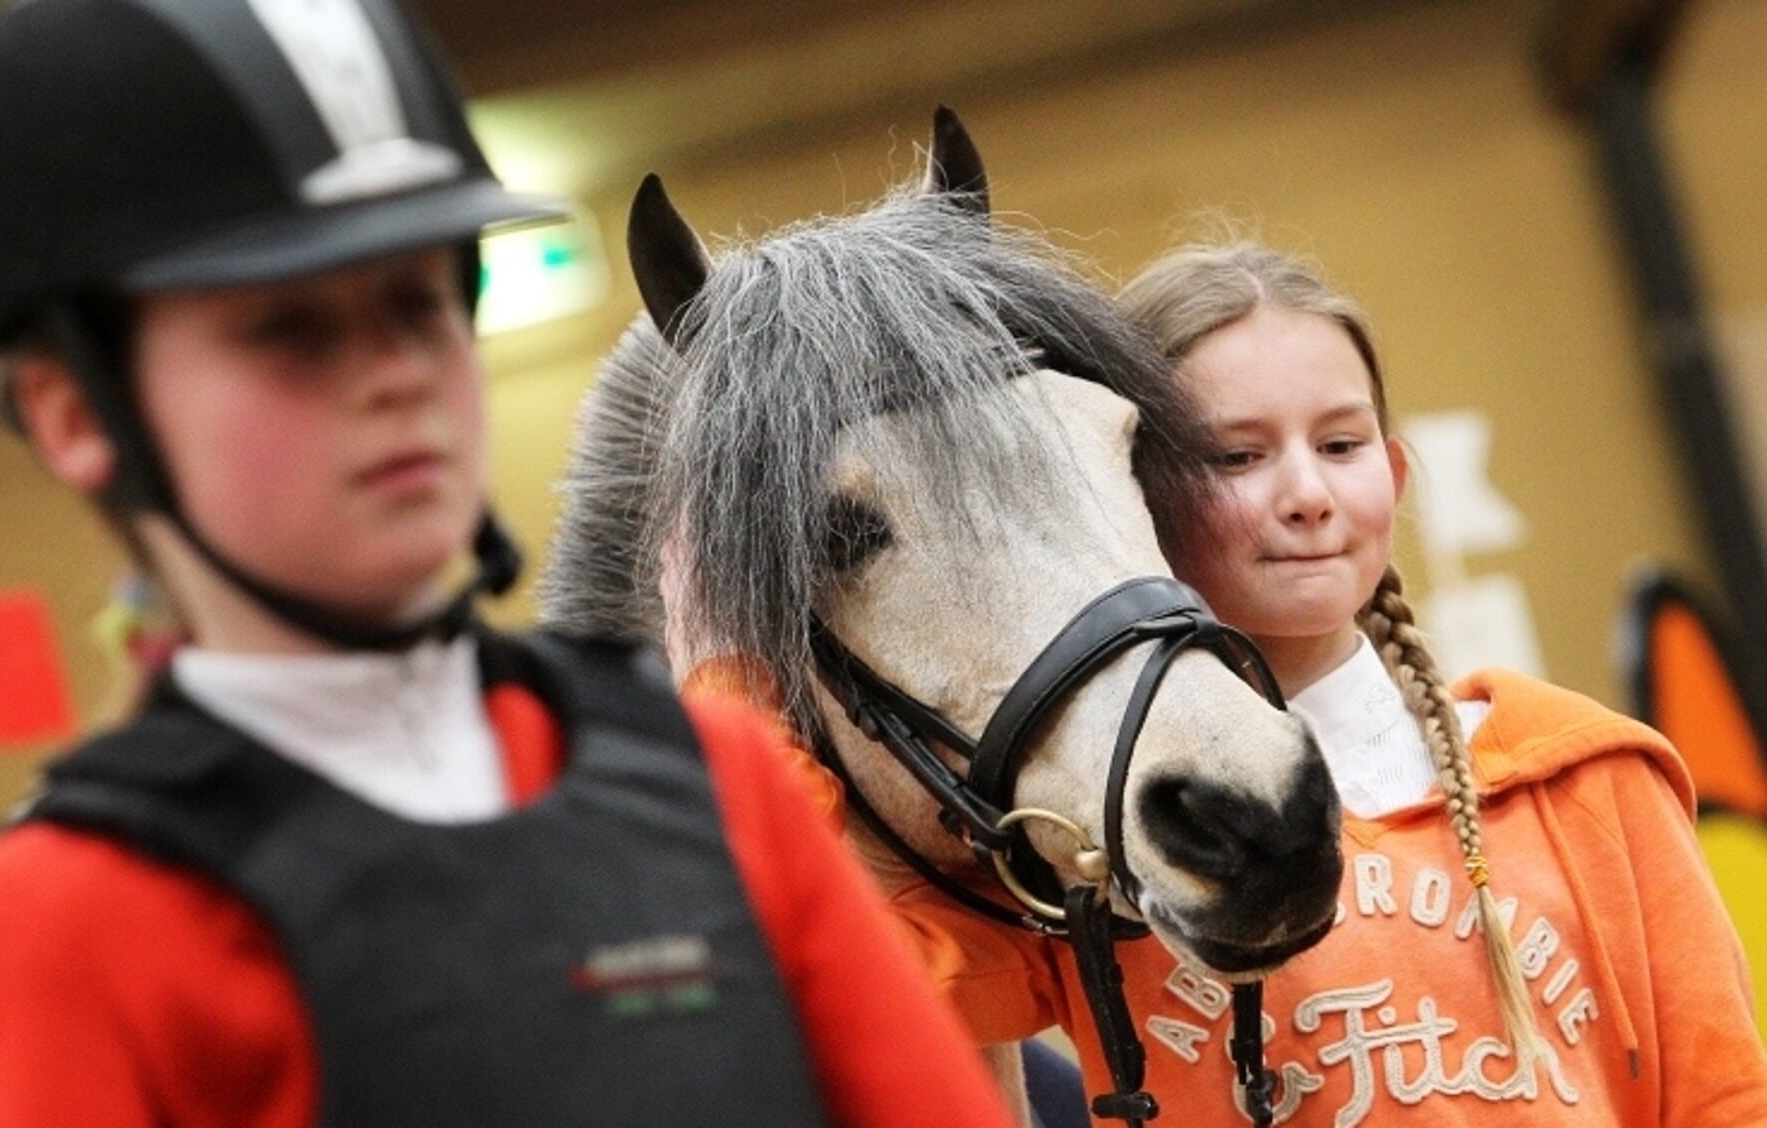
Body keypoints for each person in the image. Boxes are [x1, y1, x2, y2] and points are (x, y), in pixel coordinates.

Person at [0, 2, 1017, 1125]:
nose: (396, 374)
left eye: (420, 302)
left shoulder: (714, 780)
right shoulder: (50, 931)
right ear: (74, 412)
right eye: (290, 328)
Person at [676, 236, 1767, 1125]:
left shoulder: (1595, 775)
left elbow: (1724, 1097)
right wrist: (731, 656)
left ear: (1393, 474)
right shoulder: (1079, 866)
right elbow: (838, 965)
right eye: (1237, 457)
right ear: (1131, 493)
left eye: (1340, 446)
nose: (1304, 494)